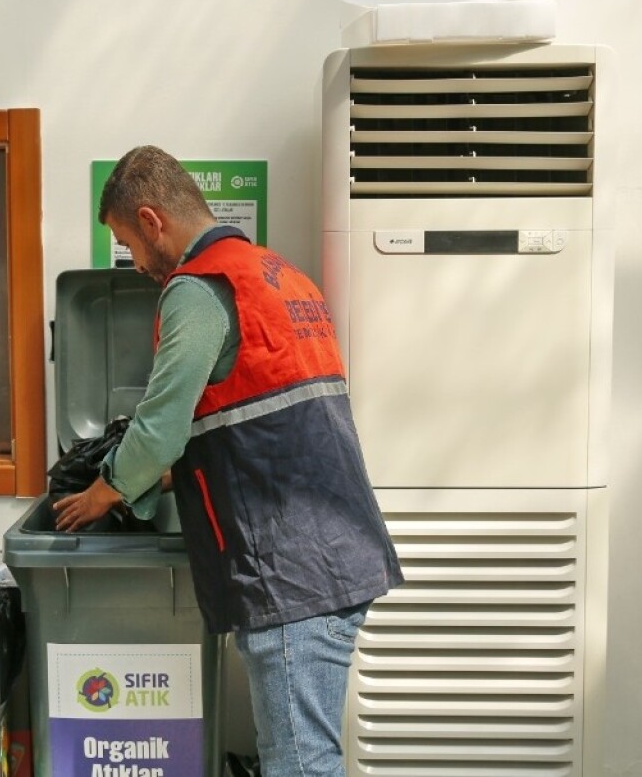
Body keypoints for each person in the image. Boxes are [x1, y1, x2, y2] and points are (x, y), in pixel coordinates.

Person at [53, 145, 402, 776]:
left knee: (298, 762)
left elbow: (161, 427)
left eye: (129, 243)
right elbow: (254, 419)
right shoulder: (276, 274)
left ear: (153, 220)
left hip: (292, 569)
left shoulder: (199, 289)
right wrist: (164, 476)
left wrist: (104, 491)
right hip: (330, 551)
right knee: (304, 755)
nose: (134, 262)